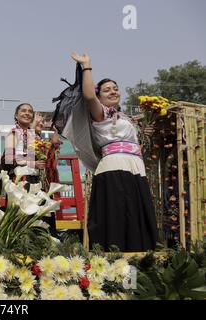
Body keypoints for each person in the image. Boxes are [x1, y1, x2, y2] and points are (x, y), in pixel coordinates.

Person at [70, 52, 157, 252]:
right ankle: (113, 263)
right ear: (100, 97)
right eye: (107, 90)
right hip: (114, 168)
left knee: (136, 214)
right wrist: (87, 66)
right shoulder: (101, 114)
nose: (113, 92)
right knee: (117, 215)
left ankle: (140, 261)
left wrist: (143, 134)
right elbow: (88, 95)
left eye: (116, 89)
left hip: (135, 167)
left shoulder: (125, 118)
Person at [3, 103, 46, 185]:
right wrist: (31, 163)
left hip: (36, 180)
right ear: (16, 115)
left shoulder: (36, 137)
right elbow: (8, 159)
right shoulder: (14, 133)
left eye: (30, 112)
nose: (27, 113)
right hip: (21, 180)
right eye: (23, 111)